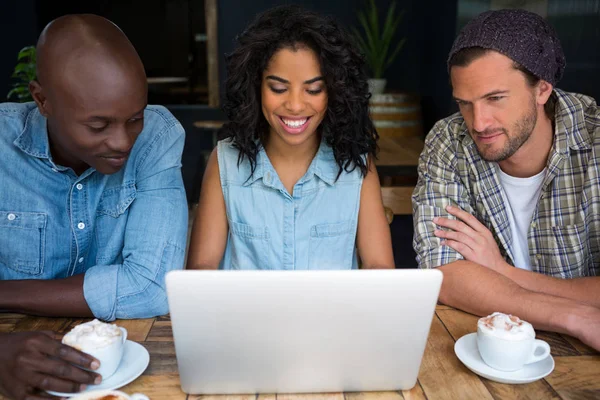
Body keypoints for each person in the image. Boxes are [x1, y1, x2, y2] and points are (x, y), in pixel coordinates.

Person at [0, 14, 188, 398]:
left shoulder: (156, 137)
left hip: (126, 372)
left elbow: (153, 287)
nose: (122, 142)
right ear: (42, 100)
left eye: (134, 118)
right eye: (98, 126)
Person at [412, 9, 600, 351]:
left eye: (495, 98)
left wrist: (503, 272)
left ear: (542, 89)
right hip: (487, 348)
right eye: (465, 104)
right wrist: (576, 316)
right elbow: (445, 273)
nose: (479, 123)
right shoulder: (450, 140)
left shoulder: (595, 139)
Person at [187, 6, 394, 270]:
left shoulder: (356, 166)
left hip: (332, 312)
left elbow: (380, 268)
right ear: (256, 87)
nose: (295, 105)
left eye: (314, 89)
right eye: (278, 88)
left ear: (334, 91)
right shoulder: (225, 162)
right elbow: (200, 272)